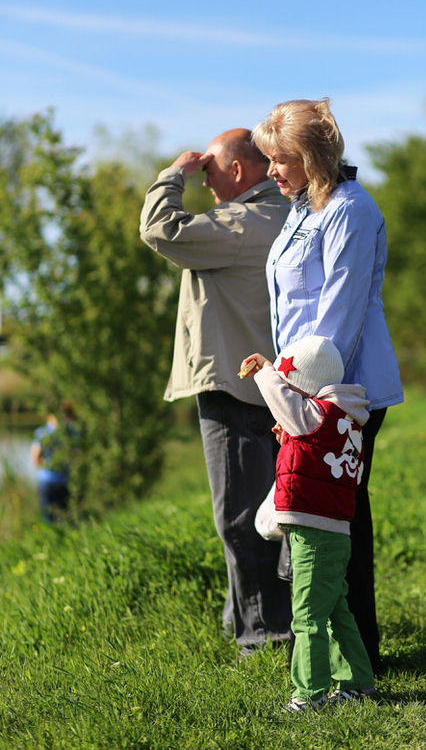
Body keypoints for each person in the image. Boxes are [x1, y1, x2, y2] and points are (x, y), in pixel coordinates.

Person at [252, 99, 404, 673]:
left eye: (279, 159)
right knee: (313, 513)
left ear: (311, 156)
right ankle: (331, 654)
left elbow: (335, 322)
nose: (271, 171)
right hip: (304, 387)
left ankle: (353, 659)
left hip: (342, 394)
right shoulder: (303, 206)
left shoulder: (350, 211)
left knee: (336, 520)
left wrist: (296, 392)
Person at [140, 129, 292, 654]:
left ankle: (264, 638)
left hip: (235, 384)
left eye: (210, 170)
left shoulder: (242, 221)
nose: (203, 178)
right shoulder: (276, 215)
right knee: (262, 513)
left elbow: (160, 229)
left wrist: (172, 175)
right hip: (263, 384)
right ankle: (247, 623)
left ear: (235, 171)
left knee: (240, 517)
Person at [240, 335, 375, 711]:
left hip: (315, 534)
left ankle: (309, 695)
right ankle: (358, 682)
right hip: (332, 531)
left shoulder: (316, 415)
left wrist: (266, 372)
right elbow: (318, 462)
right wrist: (293, 442)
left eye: (288, 380)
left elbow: (287, 404)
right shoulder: (343, 422)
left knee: (307, 617)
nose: (283, 387)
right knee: (334, 610)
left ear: (305, 385)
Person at [30, 402, 79, 524]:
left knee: (50, 520)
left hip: (47, 481)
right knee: (66, 519)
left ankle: (53, 541)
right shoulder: (70, 433)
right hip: (63, 480)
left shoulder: (42, 433)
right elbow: (78, 455)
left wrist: (48, 465)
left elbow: (35, 460)